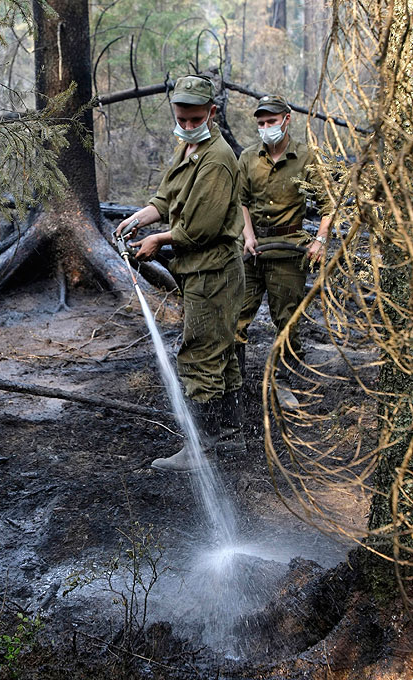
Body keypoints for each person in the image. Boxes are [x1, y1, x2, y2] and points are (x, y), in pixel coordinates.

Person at [116, 74, 245, 472]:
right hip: (200, 272)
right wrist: (143, 216)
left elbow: (200, 229)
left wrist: (157, 240)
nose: (187, 126)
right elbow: (167, 197)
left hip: (213, 272)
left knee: (200, 356)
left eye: (194, 119)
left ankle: (201, 450)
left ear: (212, 112)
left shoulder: (218, 159)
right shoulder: (189, 148)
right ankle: (231, 436)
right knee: (220, 352)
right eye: (181, 119)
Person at [236, 94, 333, 405]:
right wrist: (247, 235)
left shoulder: (306, 157)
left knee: (286, 319)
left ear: (286, 120)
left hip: (290, 250)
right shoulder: (248, 157)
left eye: (272, 122)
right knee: (236, 316)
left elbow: (328, 204)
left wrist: (319, 239)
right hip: (252, 250)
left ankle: (283, 379)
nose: (266, 128)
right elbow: (241, 201)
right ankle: (233, 383)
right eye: (261, 123)